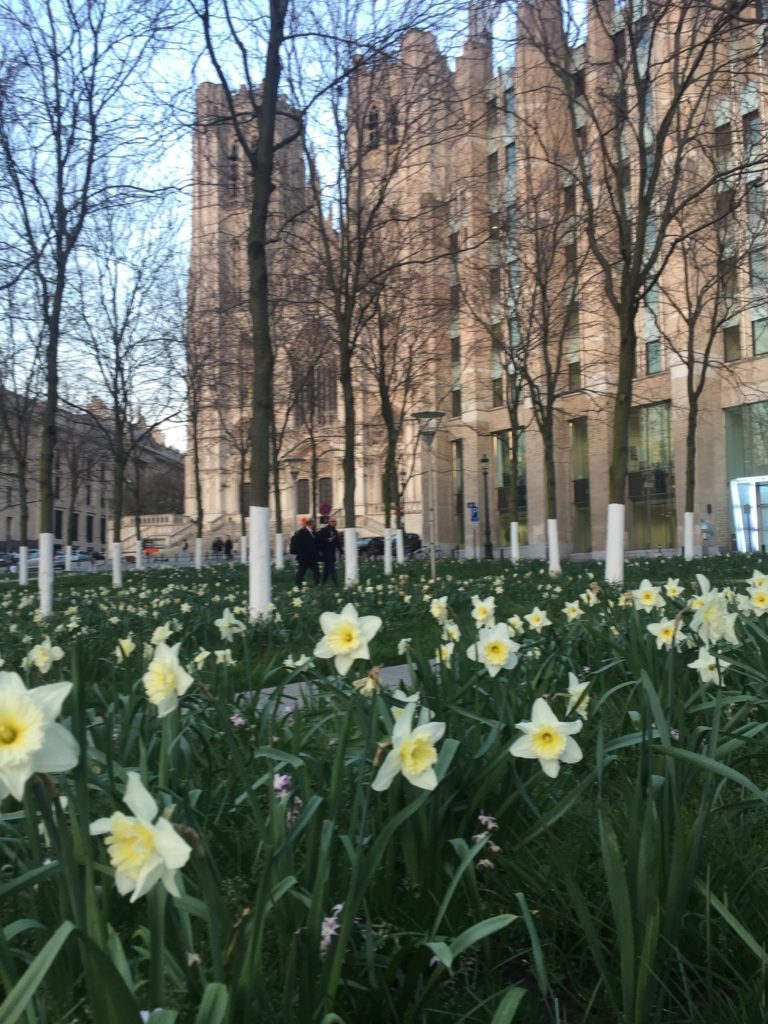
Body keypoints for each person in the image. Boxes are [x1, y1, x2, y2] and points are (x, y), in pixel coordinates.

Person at [290, 517, 319, 586]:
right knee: (301, 573)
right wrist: (300, 553)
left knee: (316, 572)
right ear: (311, 523)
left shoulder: (313, 533)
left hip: (312, 558)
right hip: (304, 558)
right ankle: (298, 586)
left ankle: (317, 586)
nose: (315, 523)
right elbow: (297, 544)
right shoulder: (301, 532)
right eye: (314, 522)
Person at [315, 517, 343, 586]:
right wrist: (327, 540)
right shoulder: (324, 530)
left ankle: (322, 584)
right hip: (326, 553)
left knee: (326, 570)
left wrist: (342, 552)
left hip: (332, 553)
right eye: (332, 521)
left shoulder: (335, 531)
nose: (334, 522)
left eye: (335, 521)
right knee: (332, 569)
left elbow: (337, 543)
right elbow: (318, 539)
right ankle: (336, 585)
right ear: (329, 522)